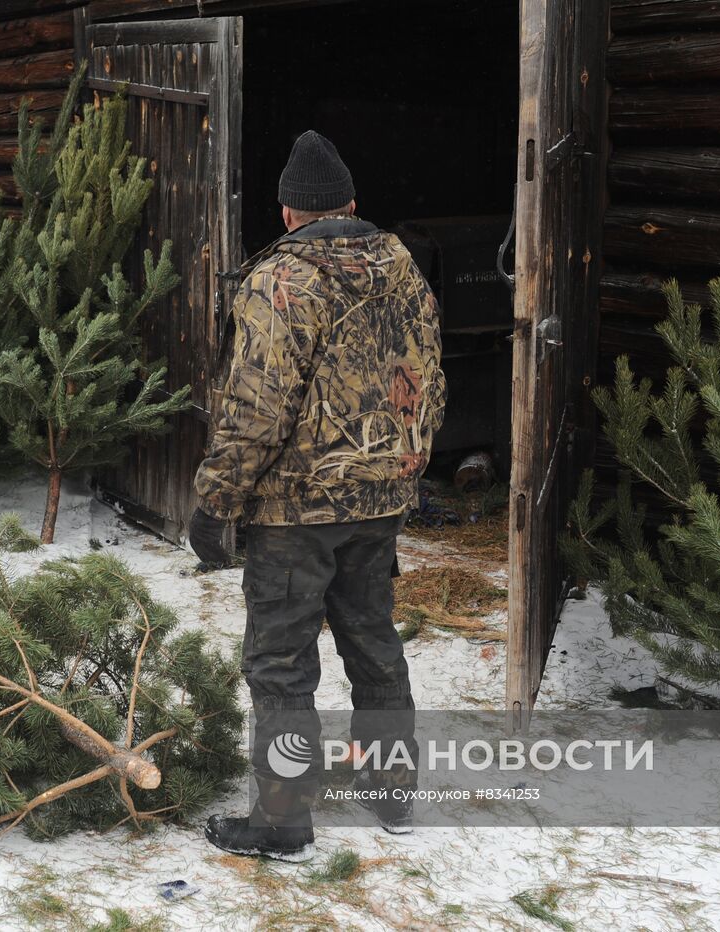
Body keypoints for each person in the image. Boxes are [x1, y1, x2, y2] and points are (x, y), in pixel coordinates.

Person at [189, 130, 446, 861]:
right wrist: (406, 468)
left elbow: (254, 411)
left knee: (280, 666)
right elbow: (431, 382)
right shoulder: (403, 268)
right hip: (381, 500)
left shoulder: (282, 283)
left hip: (295, 514)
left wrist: (216, 504)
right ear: (352, 205)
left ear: (287, 214)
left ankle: (281, 822)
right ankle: (393, 795)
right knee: (373, 643)